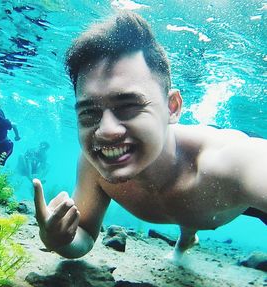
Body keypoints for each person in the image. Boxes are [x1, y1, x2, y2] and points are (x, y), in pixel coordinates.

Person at [33, 11, 267, 264]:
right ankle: (187, 236)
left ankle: (188, 234)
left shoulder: (231, 161)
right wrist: (59, 240)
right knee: (191, 215)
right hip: (198, 204)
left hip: (228, 196)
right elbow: (85, 236)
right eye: (89, 113)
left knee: (197, 208)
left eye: (129, 106)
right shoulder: (95, 164)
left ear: (172, 107)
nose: (106, 131)